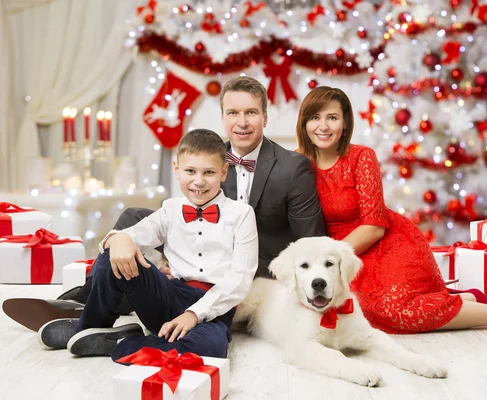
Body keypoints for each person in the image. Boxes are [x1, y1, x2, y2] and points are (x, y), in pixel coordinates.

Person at [3, 76, 326, 332]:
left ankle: (99, 303)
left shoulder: (291, 166)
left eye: (251, 113)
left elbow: (309, 240)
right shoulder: (211, 155)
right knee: (132, 218)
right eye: (233, 113)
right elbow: (184, 212)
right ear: (224, 117)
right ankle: (89, 298)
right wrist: (181, 250)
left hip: (252, 263)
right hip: (211, 244)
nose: (242, 122)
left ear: (265, 117)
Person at [294, 85, 487, 339]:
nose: (323, 126)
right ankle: (469, 301)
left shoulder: (361, 157)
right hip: (338, 258)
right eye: (315, 118)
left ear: (345, 124)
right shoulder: (296, 165)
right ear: (304, 123)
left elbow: (374, 226)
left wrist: (331, 255)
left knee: (399, 311)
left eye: (332, 117)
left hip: (382, 244)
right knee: (365, 314)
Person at [37, 129, 259, 360]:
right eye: (190, 171)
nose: (199, 181)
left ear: (224, 172)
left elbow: (239, 280)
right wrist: (120, 238)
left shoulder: (242, 214)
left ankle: (119, 341)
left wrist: (194, 314)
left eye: (209, 172)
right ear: (177, 169)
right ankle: (91, 327)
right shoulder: (170, 209)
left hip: (214, 308)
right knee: (111, 256)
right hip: (169, 295)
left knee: (210, 349)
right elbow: (137, 233)